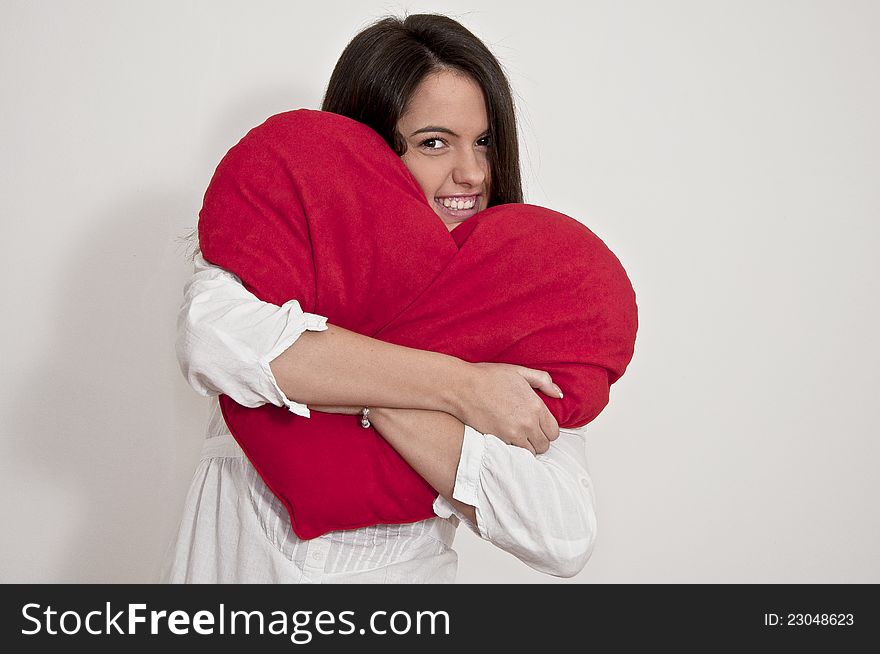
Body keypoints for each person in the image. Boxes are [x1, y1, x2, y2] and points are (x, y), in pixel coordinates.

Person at [161, 13, 600, 584]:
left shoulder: (519, 303)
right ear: (363, 151)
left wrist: (350, 384)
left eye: (484, 142)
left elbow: (563, 535)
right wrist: (464, 389)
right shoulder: (279, 252)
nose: (470, 172)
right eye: (434, 143)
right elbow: (210, 339)